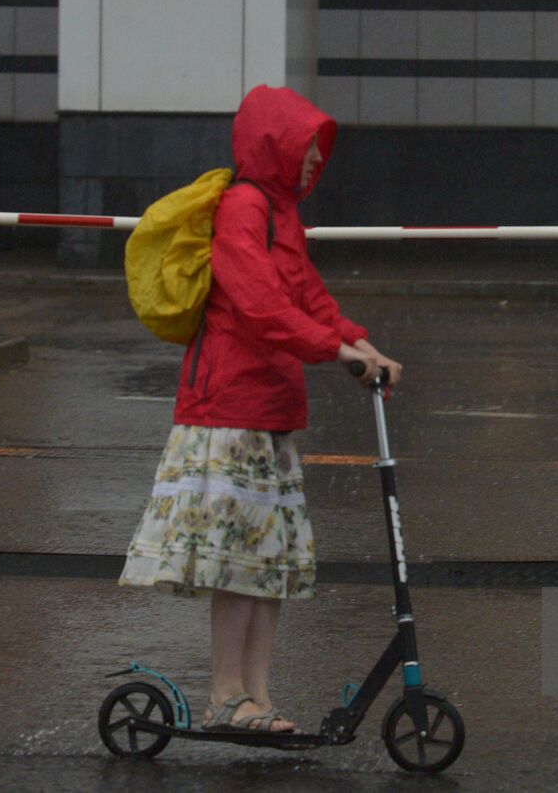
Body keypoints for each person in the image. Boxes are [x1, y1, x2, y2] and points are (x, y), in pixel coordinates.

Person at [118, 85, 402, 733]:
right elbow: (261, 306)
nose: (313, 162)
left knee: (270, 562)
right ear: (275, 144)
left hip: (270, 412)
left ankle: (259, 697)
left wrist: (362, 344)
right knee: (236, 560)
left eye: (317, 152)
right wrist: (338, 350)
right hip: (226, 410)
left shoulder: (282, 214)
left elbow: (307, 294)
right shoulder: (243, 208)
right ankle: (225, 695)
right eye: (306, 149)